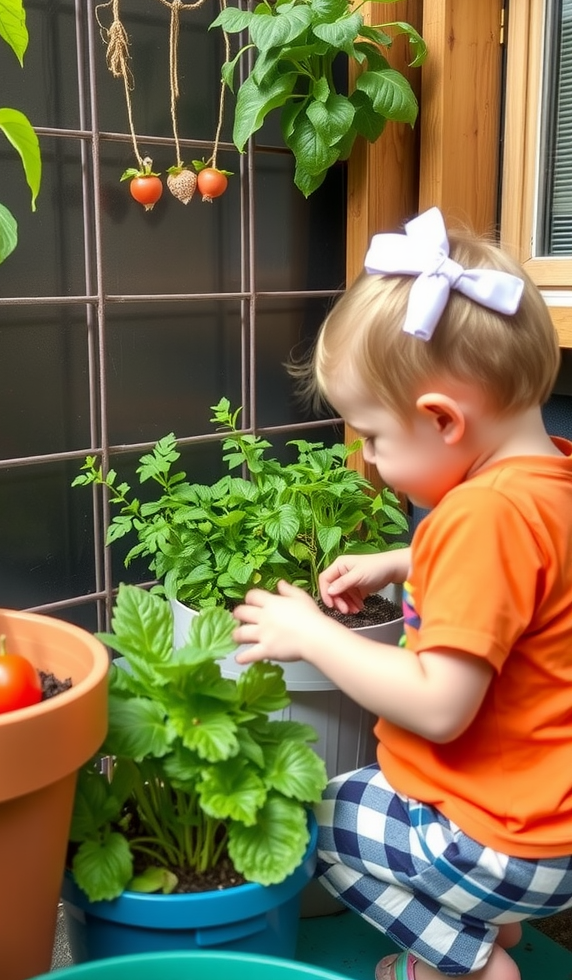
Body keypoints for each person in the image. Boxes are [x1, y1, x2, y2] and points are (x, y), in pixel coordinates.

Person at [232, 207, 572, 980]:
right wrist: (400, 560)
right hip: (552, 827)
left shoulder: (479, 517)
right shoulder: (550, 479)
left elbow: (439, 707)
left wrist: (314, 636)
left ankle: (463, 964)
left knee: (314, 817)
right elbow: (522, 588)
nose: (371, 461)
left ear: (443, 421)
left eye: (374, 440)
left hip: (501, 837)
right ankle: (488, 924)